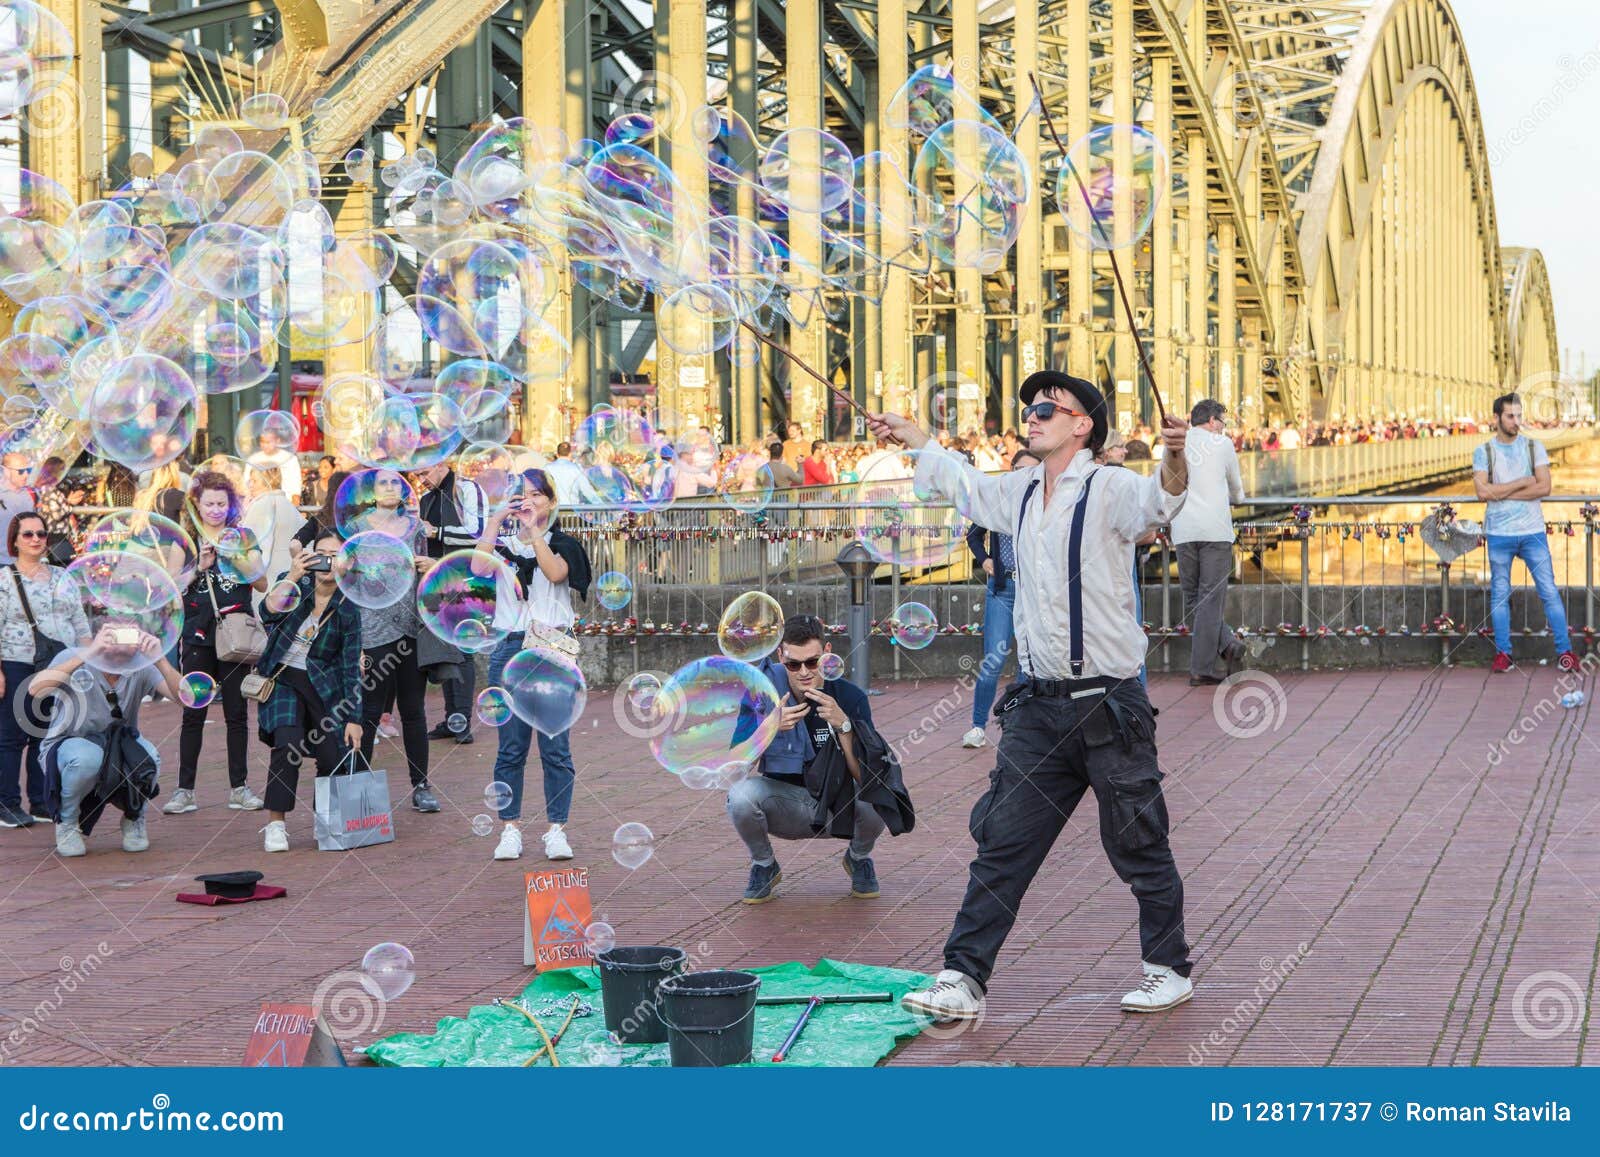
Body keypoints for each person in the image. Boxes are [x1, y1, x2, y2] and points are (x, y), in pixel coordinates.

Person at [870, 369, 1196, 1021]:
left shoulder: (1110, 488)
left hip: (1110, 701)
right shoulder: (1017, 491)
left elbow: (1162, 502)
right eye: (1029, 406)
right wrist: (915, 437)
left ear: (1083, 426)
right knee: (1003, 844)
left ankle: (1168, 966)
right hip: (1038, 707)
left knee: (1137, 841)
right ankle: (962, 977)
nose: (1034, 412)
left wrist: (1176, 452)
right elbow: (962, 485)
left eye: (1050, 406)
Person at [726, 614, 889, 903]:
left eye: (812, 662)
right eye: (793, 664)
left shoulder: (850, 697)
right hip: (785, 803)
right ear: (780, 656)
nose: (804, 672)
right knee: (740, 795)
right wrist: (768, 729)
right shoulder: (763, 694)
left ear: (827, 653)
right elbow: (735, 768)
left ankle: (858, 857)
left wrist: (845, 727)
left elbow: (867, 775)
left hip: (837, 807)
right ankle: (764, 864)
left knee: (883, 789)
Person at [479, 470, 591, 862]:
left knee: (555, 747)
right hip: (510, 646)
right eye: (520, 495)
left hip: (552, 647)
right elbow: (477, 568)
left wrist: (534, 532)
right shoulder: (501, 544)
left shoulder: (562, 543)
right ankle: (509, 829)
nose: (528, 501)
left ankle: (555, 830)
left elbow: (556, 573)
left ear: (549, 500)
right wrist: (495, 520)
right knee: (511, 746)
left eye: (535, 495)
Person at [166, 471, 269, 815]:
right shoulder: (185, 539)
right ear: (196, 503)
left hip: (236, 633)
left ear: (231, 504)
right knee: (193, 713)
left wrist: (236, 555)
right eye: (208, 503)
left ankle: (239, 788)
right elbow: (171, 588)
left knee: (237, 715)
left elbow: (263, 584)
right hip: (197, 633)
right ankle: (185, 791)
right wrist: (200, 565)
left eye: (221, 503)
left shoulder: (243, 536)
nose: (215, 509)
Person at [255, 532, 365, 852]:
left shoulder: (348, 606)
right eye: (321, 553)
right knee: (287, 743)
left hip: (324, 685)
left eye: (335, 555)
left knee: (332, 753)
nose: (327, 562)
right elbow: (268, 612)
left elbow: (349, 666)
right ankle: (276, 823)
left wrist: (354, 718)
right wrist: (292, 574)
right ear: (310, 556)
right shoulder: (295, 584)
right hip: (284, 679)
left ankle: (325, 819)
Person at [35, 626, 184, 857]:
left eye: (131, 632)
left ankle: (133, 817)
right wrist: (89, 652)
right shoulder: (74, 656)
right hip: (69, 744)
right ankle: (67, 822)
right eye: (115, 631)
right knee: (88, 759)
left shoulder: (141, 664)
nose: (123, 639)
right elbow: (36, 689)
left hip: (119, 745)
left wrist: (160, 659)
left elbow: (186, 699)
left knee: (151, 758)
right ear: (101, 634)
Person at [1474, 392, 1577, 673]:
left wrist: (1502, 493)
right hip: (1499, 533)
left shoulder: (1534, 447)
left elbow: (1544, 488)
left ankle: (1565, 653)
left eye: (1519, 415)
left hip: (1532, 531)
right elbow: (1483, 493)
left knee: (1548, 592)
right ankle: (1504, 655)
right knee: (1499, 594)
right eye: (1510, 416)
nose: (1517, 421)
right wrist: (1521, 482)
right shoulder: (1483, 451)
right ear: (1496, 418)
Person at [0, 512, 91, 827]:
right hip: (17, 662)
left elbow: (79, 621)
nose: (36, 539)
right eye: (28, 535)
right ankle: (7, 803)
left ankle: (40, 801)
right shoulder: (5, 578)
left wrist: (88, 657)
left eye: (41, 534)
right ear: (15, 540)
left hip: (60, 665)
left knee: (46, 734)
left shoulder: (61, 576)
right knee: (12, 736)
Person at [356, 471, 439, 812]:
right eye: (383, 483)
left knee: (414, 710)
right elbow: (350, 581)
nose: (390, 488)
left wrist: (431, 566)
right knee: (369, 712)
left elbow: (426, 575)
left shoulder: (416, 527)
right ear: (372, 492)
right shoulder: (358, 529)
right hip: (372, 630)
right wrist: (357, 642)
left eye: (395, 483)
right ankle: (358, 788)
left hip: (410, 628)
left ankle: (421, 785)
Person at [961, 449, 1039, 749]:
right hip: (1002, 588)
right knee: (992, 660)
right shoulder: (1000, 501)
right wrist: (985, 560)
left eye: (1031, 471)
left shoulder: (1043, 503)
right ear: (1011, 469)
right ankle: (978, 726)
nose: (1024, 476)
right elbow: (973, 535)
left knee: (1027, 660)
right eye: (1019, 469)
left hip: (1032, 591)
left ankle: (1016, 725)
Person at [1171, 400, 1246, 686]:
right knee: (1211, 598)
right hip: (1215, 530)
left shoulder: (1178, 443)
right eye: (1223, 422)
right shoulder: (1223, 444)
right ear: (1213, 421)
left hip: (1183, 529)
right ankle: (1201, 669)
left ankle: (1228, 645)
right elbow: (1235, 486)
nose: (1223, 428)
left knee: (1193, 598)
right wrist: (1238, 499)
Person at [418, 460, 486, 744]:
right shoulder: (425, 499)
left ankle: (463, 721)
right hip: (432, 581)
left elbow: (478, 533)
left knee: (463, 649)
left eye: (424, 472)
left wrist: (437, 532)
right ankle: (451, 718)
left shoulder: (468, 489)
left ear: (441, 463)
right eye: (416, 474)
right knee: (441, 648)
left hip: (461, 580)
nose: (421, 479)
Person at [243, 466, 307, 610]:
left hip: (267, 585)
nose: (250, 485)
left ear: (268, 482)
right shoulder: (288, 506)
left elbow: (255, 549)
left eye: (254, 480)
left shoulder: (262, 505)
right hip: (289, 582)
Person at [33, 460, 83, 565]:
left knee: (63, 565)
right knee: (64, 566)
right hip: (56, 537)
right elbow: (57, 514)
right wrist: (69, 506)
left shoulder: (46, 489)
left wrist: (67, 502)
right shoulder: (49, 490)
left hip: (55, 537)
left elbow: (53, 509)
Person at [246, 427, 302, 501]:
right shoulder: (253, 459)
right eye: (262, 442)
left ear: (278, 441)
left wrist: (294, 503)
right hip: (258, 501)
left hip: (285, 501)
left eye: (268, 442)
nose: (265, 445)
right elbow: (247, 482)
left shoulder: (290, 459)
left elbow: (295, 485)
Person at [0, 453, 37, 564]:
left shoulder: (31, 494)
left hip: (26, 563)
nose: (26, 475)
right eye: (20, 471)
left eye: (28, 470)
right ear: (5, 471)